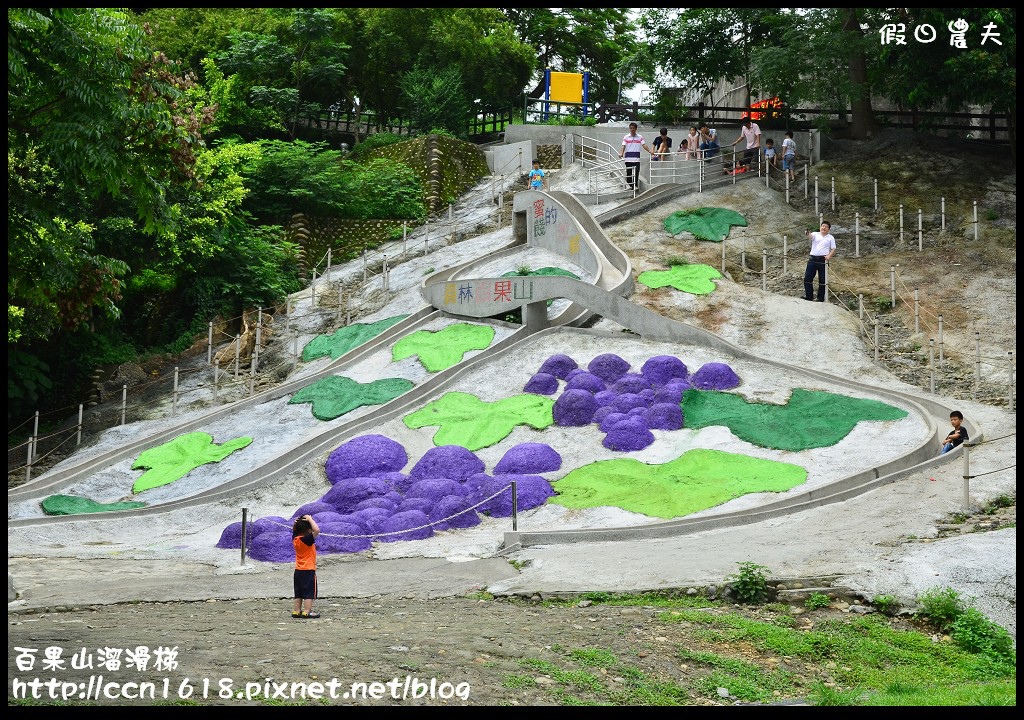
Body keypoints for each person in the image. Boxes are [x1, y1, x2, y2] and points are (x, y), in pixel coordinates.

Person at [292, 513, 321, 619]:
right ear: (308, 531)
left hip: (298, 570)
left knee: (298, 593)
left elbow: (294, 531)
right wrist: (310, 519)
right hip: (308, 570)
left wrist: (295, 524)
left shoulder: (295, 540)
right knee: (309, 593)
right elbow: (317, 530)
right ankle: (307, 611)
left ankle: (297, 611)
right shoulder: (307, 540)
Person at [803, 220, 836, 302]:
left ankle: (820, 298)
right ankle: (809, 296)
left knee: (823, 280)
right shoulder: (815, 234)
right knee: (808, 278)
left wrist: (829, 256)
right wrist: (807, 232)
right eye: (823, 226)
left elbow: (833, 249)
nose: (824, 228)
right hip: (813, 259)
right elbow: (810, 236)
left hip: (823, 260)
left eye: (826, 227)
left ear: (828, 229)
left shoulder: (830, 237)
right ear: (820, 227)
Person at [619, 122, 653, 190]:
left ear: (636, 129)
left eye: (633, 128)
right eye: (631, 128)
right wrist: (621, 153)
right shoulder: (626, 137)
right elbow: (623, 146)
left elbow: (644, 145)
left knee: (636, 172)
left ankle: (635, 186)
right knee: (629, 173)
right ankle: (630, 186)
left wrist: (649, 150)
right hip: (628, 158)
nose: (632, 129)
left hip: (636, 158)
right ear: (629, 128)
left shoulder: (640, 137)